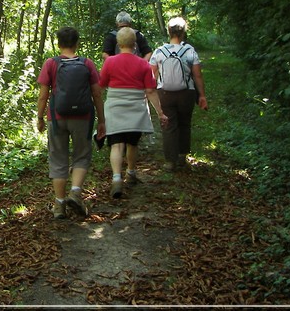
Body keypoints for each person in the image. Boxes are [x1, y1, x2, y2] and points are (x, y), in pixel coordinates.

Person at [37, 27, 106, 219]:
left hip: (57, 119)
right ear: (77, 43)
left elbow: (43, 96)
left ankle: (59, 206)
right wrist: (102, 120)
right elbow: (97, 94)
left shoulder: (50, 64)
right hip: (83, 118)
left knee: (58, 158)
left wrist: (40, 117)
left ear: (58, 44)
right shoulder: (87, 63)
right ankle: (75, 193)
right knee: (81, 155)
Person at [98, 27, 168, 198]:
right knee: (132, 143)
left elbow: (101, 86)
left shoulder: (110, 62)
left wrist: (97, 108)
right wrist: (160, 112)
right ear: (135, 44)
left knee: (116, 144)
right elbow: (150, 91)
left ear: (118, 43)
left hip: (115, 106)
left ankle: (116, 179)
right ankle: (130, 172)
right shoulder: (143, 64)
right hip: (136, 108)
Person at [150, 17, 208, 171]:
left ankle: (170, 161)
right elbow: (197, 75)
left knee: (168, 125)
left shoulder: (159, 51)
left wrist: (151, 92)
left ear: (169, 32)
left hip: (165, 93)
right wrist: (202, 95)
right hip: (186, 93)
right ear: (183, 33)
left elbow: (152, 74)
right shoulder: (189, 51)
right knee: (184, 123)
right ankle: (182, 156)